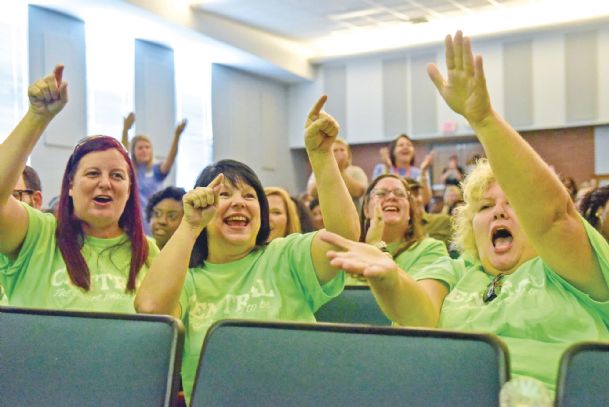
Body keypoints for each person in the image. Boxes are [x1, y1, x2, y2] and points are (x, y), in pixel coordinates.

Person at [320, 31, 609, 395]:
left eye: (514, 204)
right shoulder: (456, 270)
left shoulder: (574, 268)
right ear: (471, 224)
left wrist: (483, 119)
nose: (498, 213)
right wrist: (390, 279)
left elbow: (554, 219)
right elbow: (420, 316)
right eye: (485, 207)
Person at [135, 95, 360, 403]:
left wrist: (321, 157)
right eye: (223, 194)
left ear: (261, 213)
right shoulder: (187, 281)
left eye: (249, 195)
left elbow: (344, 235)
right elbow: (150, 308)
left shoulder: (285, 256)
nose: (238, 202)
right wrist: (189, 225)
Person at [0, 65, 158, 312]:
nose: (104, 183)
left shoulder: (147, 251)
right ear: (70, 186)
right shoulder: (37, 234)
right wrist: (37, 117)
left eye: (117, 176)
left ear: (129, 191)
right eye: (93, 173)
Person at [346, 174, 448, 285]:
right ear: (366, 209)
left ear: (409, 211)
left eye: (400, 194)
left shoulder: (431, 249)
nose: (391, 197)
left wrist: (376, 246)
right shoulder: (347, 251)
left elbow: (413, 297)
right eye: (381, 193)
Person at [122, 112, 187, 232]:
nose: (144, 150)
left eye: (147, 147)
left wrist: (177, 136)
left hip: (155, 220)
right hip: (135, 221)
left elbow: (170, 159)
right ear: (134, 151)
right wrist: (125, 130)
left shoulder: (157, 170)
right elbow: (123, 154)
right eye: (140, 148)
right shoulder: (132, 171)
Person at [307, 137, 368, 210]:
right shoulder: (320, 172)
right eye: (335, 150)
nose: (339, 153)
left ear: (348, 154)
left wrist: (340, 171)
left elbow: (359, 192)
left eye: (342, 150)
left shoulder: (356, 171)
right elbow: (312, 192)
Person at [372, 135, 434, 205]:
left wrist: (423, 171)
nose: (405, 147)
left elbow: (425, 200)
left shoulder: (419, 172)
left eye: (409, 145)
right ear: (393, 151)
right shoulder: (380, 168)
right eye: (401, 145)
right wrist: (387, 168)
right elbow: (377, 195)